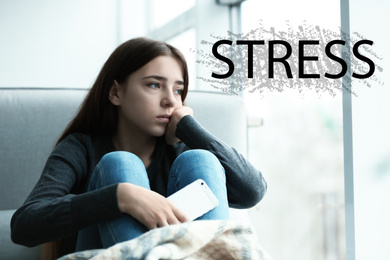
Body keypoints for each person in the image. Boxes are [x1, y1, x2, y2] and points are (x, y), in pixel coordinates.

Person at [10, 37, 267, 258]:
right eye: (154, 85)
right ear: (115, 93)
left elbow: (252, 191)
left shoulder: (181, 152)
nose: (170, 100)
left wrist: (190, 128)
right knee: (120, 164)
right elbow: (24, 225)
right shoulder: (81, 147)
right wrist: (121, 197)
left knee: (202, 160)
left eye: (178, 90)